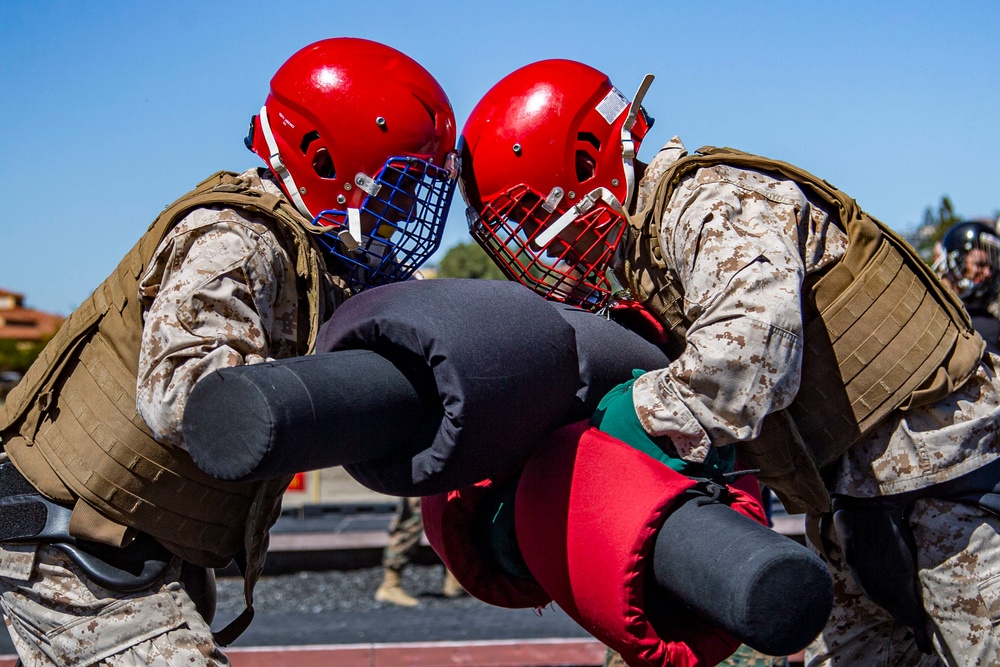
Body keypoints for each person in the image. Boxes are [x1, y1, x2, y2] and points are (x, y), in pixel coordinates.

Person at [458, 59, 1000, 666]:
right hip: (857, 499)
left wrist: (611, 431)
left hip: (947, 485)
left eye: (536, 220)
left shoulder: (712, 202)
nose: (545, 247)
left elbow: (746, 357)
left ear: (588, 164)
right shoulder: (647, 248)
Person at [0, 37, 457, 666]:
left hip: (129, 545)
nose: (405, 209)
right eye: (396, 187)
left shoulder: (305, 252)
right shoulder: (235, 240)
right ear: (323, 158)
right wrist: (345, 400)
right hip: (74, 547)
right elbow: (187, 397)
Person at [374, 497, 465, 607]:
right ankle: (390, 585)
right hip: (421, 481)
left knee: (452, 514)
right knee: (413, 519)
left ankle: (455, 581)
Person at [934, 220, 1000, 355]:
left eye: (990, 267)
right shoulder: (932, 307)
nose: (987, 273)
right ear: (956, 259)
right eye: (980, 264)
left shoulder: (989, 318)